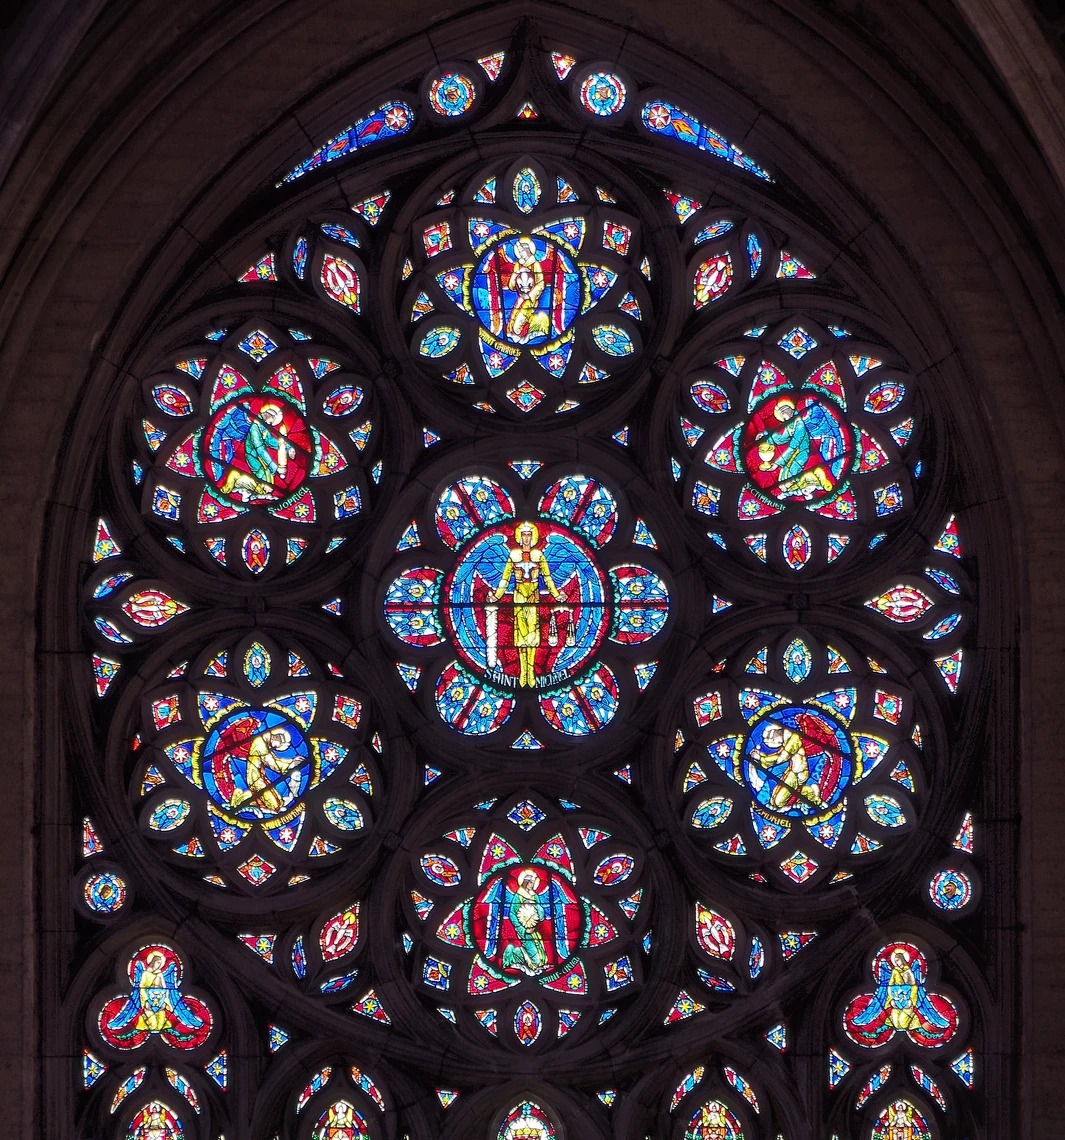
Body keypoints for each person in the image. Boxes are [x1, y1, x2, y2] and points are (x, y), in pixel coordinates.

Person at [491, 521, 562, 688]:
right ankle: (524, 671)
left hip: (533, 598)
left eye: (529, 535)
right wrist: (496, 597)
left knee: (533, 636)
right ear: (519, 537)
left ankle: (531, 672)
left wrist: (557, 595)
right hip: (519, 597)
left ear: (534, 537)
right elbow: (505, 579)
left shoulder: (539, 555)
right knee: (521, 637)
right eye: (523, 535)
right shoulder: (513, 556)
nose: (526, 538)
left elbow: (548, 578)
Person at [755, 398, 835, 499]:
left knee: (790, 477)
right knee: (783, 478)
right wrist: (766, 436)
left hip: (802, 453)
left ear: (789, 411)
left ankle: (812, 486)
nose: (783, 417)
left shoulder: (800, 424)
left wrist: (776, 464)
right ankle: (803, 489)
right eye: (781, 415)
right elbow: (781, 439)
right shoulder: (790, 424)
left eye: (783, 414)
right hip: (793, 453)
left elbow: (794, 445)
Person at [217, 401, 295, 501]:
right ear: (267, 416)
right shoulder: (255, 428)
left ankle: (243, 485)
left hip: (259, 457)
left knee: (268, 485)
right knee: (265, 486)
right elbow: (260, 449)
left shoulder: (263, 428)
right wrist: (275, 468)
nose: (271, 423)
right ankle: (236, 478)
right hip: (252, 456)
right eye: (271, 421)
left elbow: (270, 441)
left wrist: (288, 447)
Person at [748, 722, 823, 812]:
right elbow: (778, 756)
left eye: (772, 739)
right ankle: (809, 792)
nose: (775, 742)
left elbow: (780, 759)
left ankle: (811, 793)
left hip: (797, 773)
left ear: (776, 732)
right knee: (776, 800)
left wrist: (760, 757)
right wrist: (761, 757)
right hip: (790, 772)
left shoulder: (794, 739)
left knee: (778, 802)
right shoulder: (787, 740)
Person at [501, 869, 549, 975]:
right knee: (536, 961)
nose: (532, 885)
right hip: (524, 932)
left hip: (535, 930)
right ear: (525, 882)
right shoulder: (517, 897)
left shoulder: (535, 896)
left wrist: (535, 904)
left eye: (533, 882)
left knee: (542, 959)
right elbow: (512, 914)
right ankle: (512, 953)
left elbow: (541, 913)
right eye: (531, 882)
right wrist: (523, 929)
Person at [505, 238, 549, 343]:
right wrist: (517, 272)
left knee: (517, 327)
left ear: (528, 250)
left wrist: (529, 296)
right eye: (519, 252)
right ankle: (522, 336)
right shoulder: (518, 265)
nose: (520, 254)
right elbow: (511, 286)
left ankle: (540, 323)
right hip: (520, 299)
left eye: (522, 251)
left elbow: (541, 283)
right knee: (511, 326)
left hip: (530, 300)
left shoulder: (535, 264)